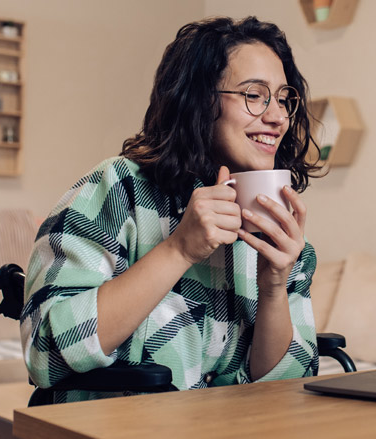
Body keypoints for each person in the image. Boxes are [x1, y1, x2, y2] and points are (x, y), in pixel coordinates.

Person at [21, 16, 321, 403]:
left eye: (283, 98)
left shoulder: (277, 221)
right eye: (254, 94)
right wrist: (179, 249)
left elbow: (288, 390)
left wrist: (275, 287)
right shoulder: (118, 189)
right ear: (199, 99)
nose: (278, 116)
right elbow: (45, 356)